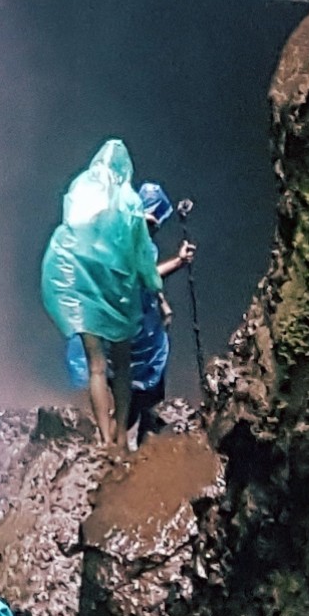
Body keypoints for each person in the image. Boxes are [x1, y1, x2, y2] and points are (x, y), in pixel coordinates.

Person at [40, 138, 162, 452]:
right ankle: (121, 434)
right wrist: (154, 285)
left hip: (85, 297)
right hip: (119, 296)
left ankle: (104, 435)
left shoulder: (80, 193)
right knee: (123, 367)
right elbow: (141, 254)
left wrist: (65, 287)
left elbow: (67, 242)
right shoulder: (130, 202)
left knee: (96, 367)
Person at [123, 180, 198, 450]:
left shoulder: (144, 245)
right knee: (131, 391)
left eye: (154, 224)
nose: (151, 229)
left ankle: (143, 442)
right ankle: (116, 444)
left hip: (147, 325)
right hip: (131, 328)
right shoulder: (127, 244)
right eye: (147, 222)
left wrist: (162, 302)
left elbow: (150, 279)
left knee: (151, 391)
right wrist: (178, 262)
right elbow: (145, 276)